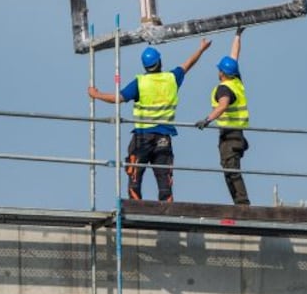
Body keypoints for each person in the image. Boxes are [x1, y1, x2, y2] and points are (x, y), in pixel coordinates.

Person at [88, 38, 211, 201]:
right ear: (159, 62)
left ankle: (135, 211)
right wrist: (201, 49)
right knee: (164, 180)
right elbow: (188, 64)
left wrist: (97, 94)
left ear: (145, 66)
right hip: (163, 138)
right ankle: (167, 214)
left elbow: (118, 98)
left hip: (142, 138)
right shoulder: (171, 79)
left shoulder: (141, 83)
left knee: (135, 177)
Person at [195, 27, 250, 205]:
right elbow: (234, 56)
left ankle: (242, 205)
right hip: (238, 134)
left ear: (222, 73)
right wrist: (238, 35)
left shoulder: (224, 88)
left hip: (230, 135)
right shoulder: (236, 81)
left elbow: (223, 105)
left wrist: (207, 119)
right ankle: (240, 203)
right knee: (229, 169)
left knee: (231, 169)